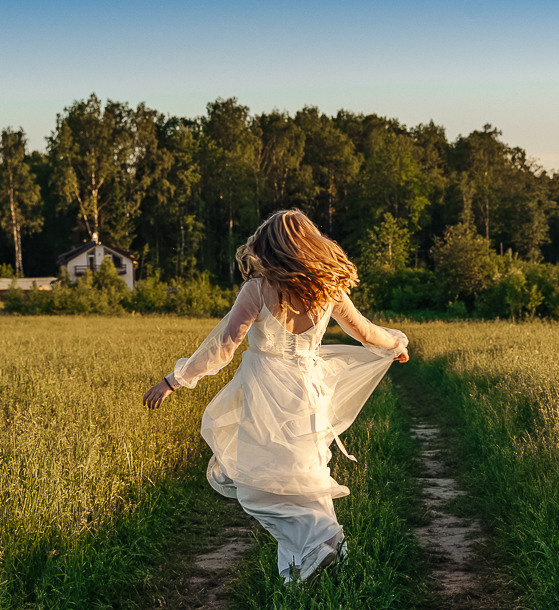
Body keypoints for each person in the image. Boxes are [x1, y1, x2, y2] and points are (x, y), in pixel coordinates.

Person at [142, 208, 409, 582]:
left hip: (265, 392)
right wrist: (395, 343)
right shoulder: (328, 291)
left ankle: (321, 541)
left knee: (259, 490)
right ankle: (306, 572)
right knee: (305, 477)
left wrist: (174, 379)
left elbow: (224, 347)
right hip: (308, 391)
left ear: (271, 249)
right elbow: (365, 333)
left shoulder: (257, 290)